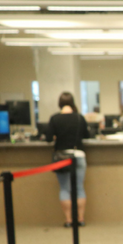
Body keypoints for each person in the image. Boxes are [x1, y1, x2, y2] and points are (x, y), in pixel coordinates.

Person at [48, 92, 90, 227]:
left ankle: (68, 220)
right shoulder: (79, 118)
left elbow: (48, 137)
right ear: (73, 102)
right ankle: (81, 219)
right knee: (79, 188)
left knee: (65, 189)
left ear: (59, 103)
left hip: (62, 157)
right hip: (78, 155)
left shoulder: (54, 119)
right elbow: (87, 135)